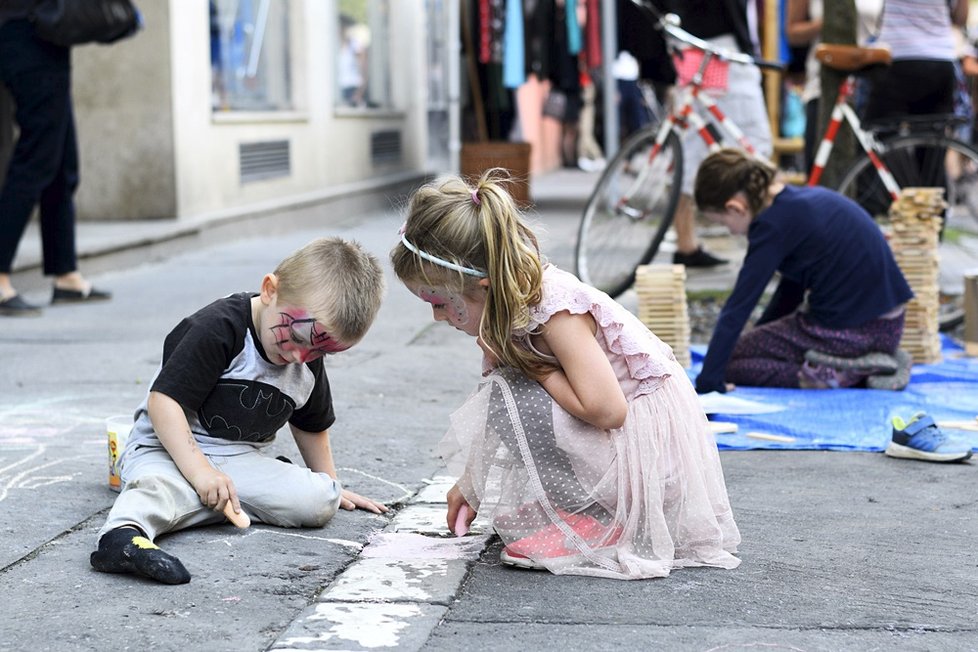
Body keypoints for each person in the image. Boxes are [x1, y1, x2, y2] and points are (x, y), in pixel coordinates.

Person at [390, 171, 740, 579]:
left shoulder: (556, 311)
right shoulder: (509, 306)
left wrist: (536, 369)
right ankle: (578, 507)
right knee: (506, 393)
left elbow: (609, 411)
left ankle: (601, 522)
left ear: (484, 286)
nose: (436, 316)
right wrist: (472, 482)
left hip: (647, 461)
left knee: (515, 392)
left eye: (441, 302)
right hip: (620, 452)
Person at [90, 237, 387, 585]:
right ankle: (124, 538)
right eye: (295, 338)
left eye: (319, 353)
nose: (298, 357)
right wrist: (200, 473)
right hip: (167, 448)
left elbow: (312, 425)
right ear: (269, 290)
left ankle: (204, 503)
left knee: (319, 500)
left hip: (237, 459)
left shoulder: (306, 357)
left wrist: (330, 484)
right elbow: (164, 402)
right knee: (155, 487)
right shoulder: (218, 327)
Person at [692, 148, 914, 395]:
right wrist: (758, 337)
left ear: (736, 208)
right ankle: (861, 362)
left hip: (849, 334)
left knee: (732, 365)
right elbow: (790, 291)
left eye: (723, 223)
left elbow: (738, 306)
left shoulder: (771, 227)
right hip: (890, 329)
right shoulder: (797, 203)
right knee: (744, 348)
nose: (731, 232)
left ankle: (834, 374)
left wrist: (708, 381)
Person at [0, 3, 111, 317]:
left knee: (63, 160)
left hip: (45, 37)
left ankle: (65, 275)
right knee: (36, 157)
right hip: (25, 32)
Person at [668, 0, 773, 268]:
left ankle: (686, 244)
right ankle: (771, 245)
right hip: (719, 45)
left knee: (692, 144)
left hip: (694, 41)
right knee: (754, 144)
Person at [785, 0, 884, 172]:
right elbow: (792, 33)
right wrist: (830, 22)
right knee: (818, 161)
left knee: (867, 170)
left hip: (871, 80)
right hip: (822, 79)